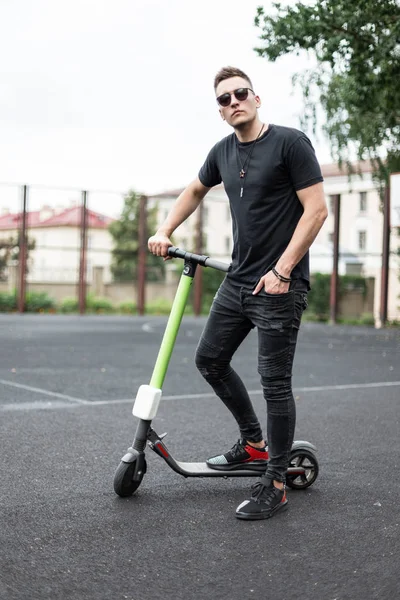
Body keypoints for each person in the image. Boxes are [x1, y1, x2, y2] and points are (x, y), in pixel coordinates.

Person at [148, 66, 328, 520]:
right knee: (209, 359)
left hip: (280, 286)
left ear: (257, 98)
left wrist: (283, 271)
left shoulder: (290, 143)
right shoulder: (222, 151)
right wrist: (165, 228)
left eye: (239, 94)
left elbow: (317, 210)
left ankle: (276, 482)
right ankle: (253, 444)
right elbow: (194, 189)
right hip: (239, 280)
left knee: (275, 384)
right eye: (223, 99)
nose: (232, 103)